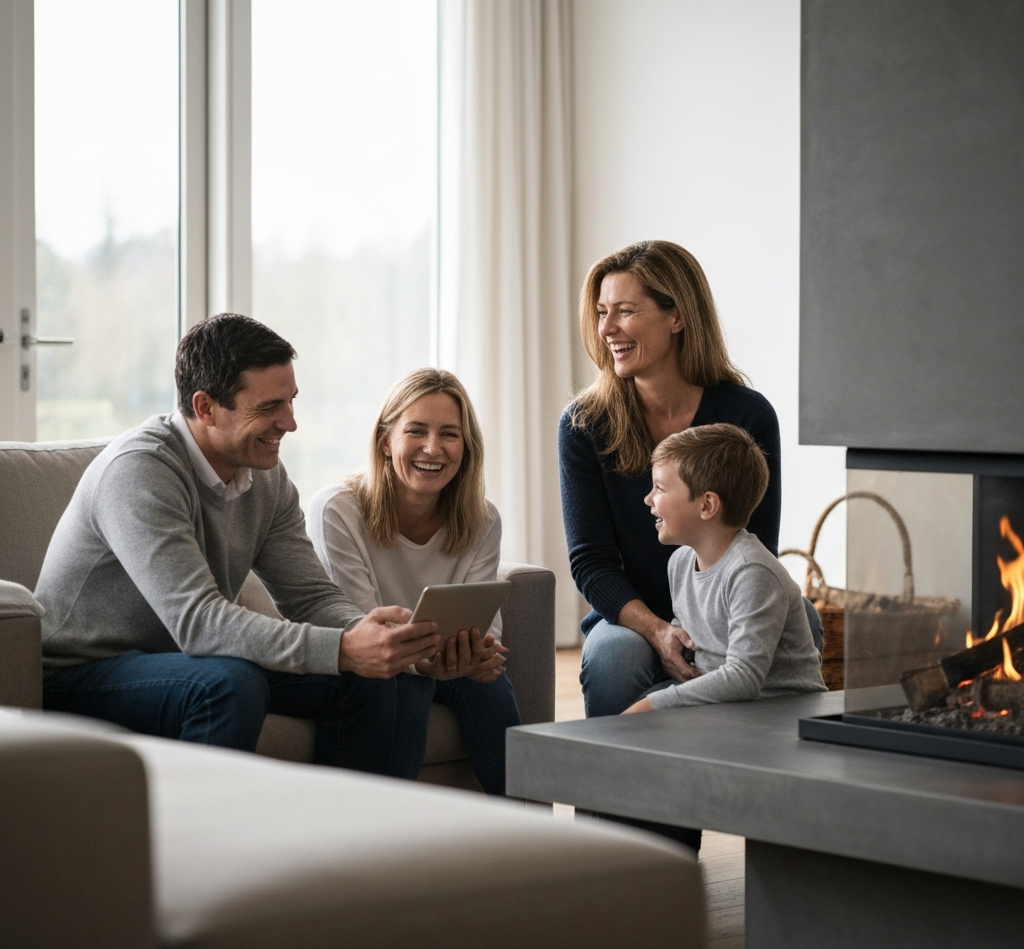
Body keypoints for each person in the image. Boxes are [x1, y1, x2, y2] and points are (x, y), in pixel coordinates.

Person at [37, 314, 440, 779]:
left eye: (290, 402)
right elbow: (200, 622)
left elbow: (309, 596)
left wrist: (380, 641)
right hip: (83, 675)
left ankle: (358, 841)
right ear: (205, 407)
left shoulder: (265, 475)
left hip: (188, 660)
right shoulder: (140, 472)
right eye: (270, 407)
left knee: (386, 679)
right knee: (230, 684)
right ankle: (203, 850)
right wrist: (345, 648)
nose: (289, 423)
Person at [559, 239, 793, 722]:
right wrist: (657, 630)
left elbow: (755, 543)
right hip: (630, 614)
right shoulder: (585, 424)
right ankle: (605, 795)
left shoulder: (747, 415)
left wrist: (703, 634)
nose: (606, 328)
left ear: (678, 316)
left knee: (800, 621)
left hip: (724, 606)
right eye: (602, 312)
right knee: (613, 659)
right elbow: (591, 562)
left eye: (624, 311)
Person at [308, 368, 522, 795]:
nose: (433, 448)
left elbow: (484, 627)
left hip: (443, 660)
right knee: (401, 686)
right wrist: (426, 662)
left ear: (466, 447)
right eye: (417, 431)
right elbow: (358, 628)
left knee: (492, 686)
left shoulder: (482, 519)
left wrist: (478, 655)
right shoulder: (337, 511)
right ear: (386, 441)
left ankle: (532, 839)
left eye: (449, 434)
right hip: (365, 665)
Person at [622, 424, 826, 715]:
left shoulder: (752, 572)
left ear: (707, 505)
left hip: (779, 713)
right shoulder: (680, 563)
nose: (648, 499)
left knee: (642, 715)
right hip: (725, 707)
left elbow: (744, 678)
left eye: (660, 488)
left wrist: (651, 705)